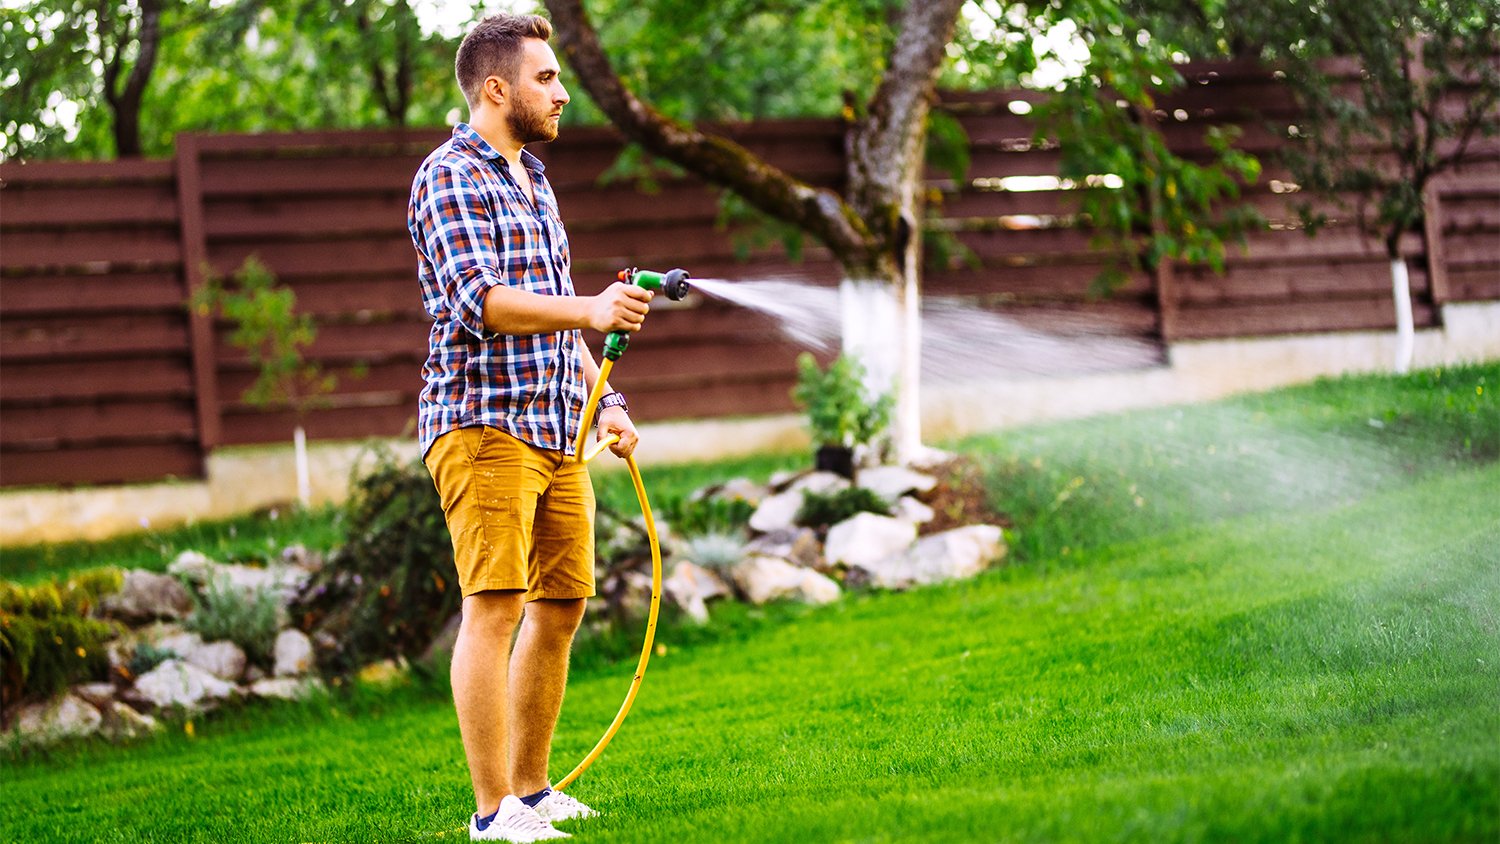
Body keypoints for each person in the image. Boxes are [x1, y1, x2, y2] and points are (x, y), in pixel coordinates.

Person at [407, 13, 653, 843]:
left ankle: (534, 791)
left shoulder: (535, 179)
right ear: (496, 88)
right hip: (482, 424)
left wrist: (607, 401)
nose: (561, 92)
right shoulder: (447, 177)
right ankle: (490, 815)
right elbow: (481, 301)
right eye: (546, 78)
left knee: (561, 605)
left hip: (555, 426)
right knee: (496, 604)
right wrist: (590, 306)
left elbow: (557, 320)